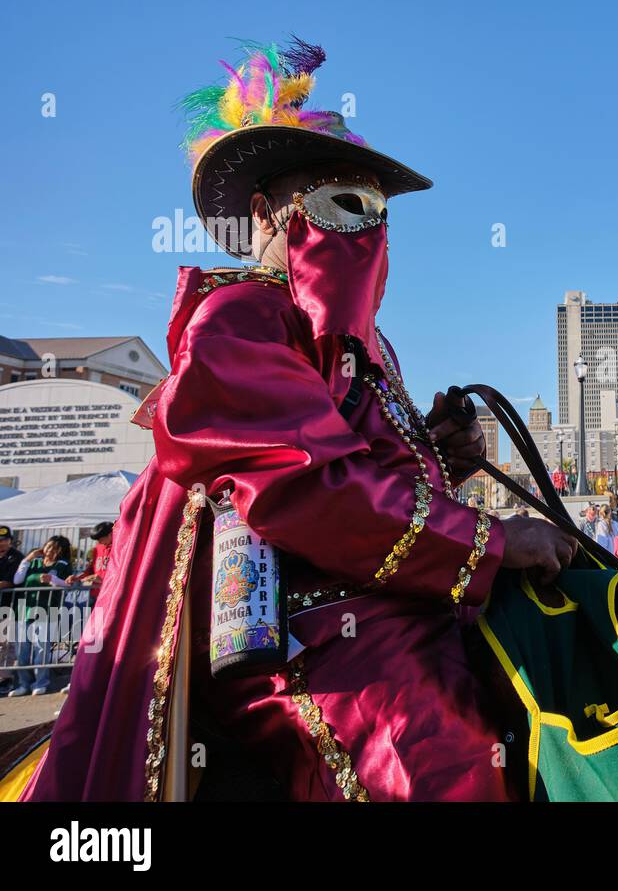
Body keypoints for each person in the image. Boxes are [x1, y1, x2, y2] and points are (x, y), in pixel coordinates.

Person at [22, 39, 578, 802]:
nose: (363, 230)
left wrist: (442, 456)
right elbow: (303, 487)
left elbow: (366, 473)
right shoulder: (238, 317)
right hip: (305, 628)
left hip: (403, 595)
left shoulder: (368, 344)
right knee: (440, 756)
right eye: (338, 204)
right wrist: (488, 538)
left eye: (375, 211)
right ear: (265, 214)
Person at [9, 536, 73, 697]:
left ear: (61, 551)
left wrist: (53, 579)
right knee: (22, 650)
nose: (50, 551)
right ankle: (23, 684)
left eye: (55, 548)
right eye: (48, 546)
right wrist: (28, 558)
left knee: (41, 650)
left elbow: (68, 584)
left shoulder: (63, 565)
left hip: (47, 612)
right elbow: (18, 580)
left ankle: (40, 683)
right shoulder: (34, 563)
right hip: (24, 610)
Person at [67, 521, 113, 593]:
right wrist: (78, 577)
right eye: (97, 540)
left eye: (101, 539)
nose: (99, 542)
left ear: (111, 534)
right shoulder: (98, 548)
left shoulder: (120, 550)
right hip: (96, 593)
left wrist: (102, 579)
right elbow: (91, 568)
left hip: (111, 593)